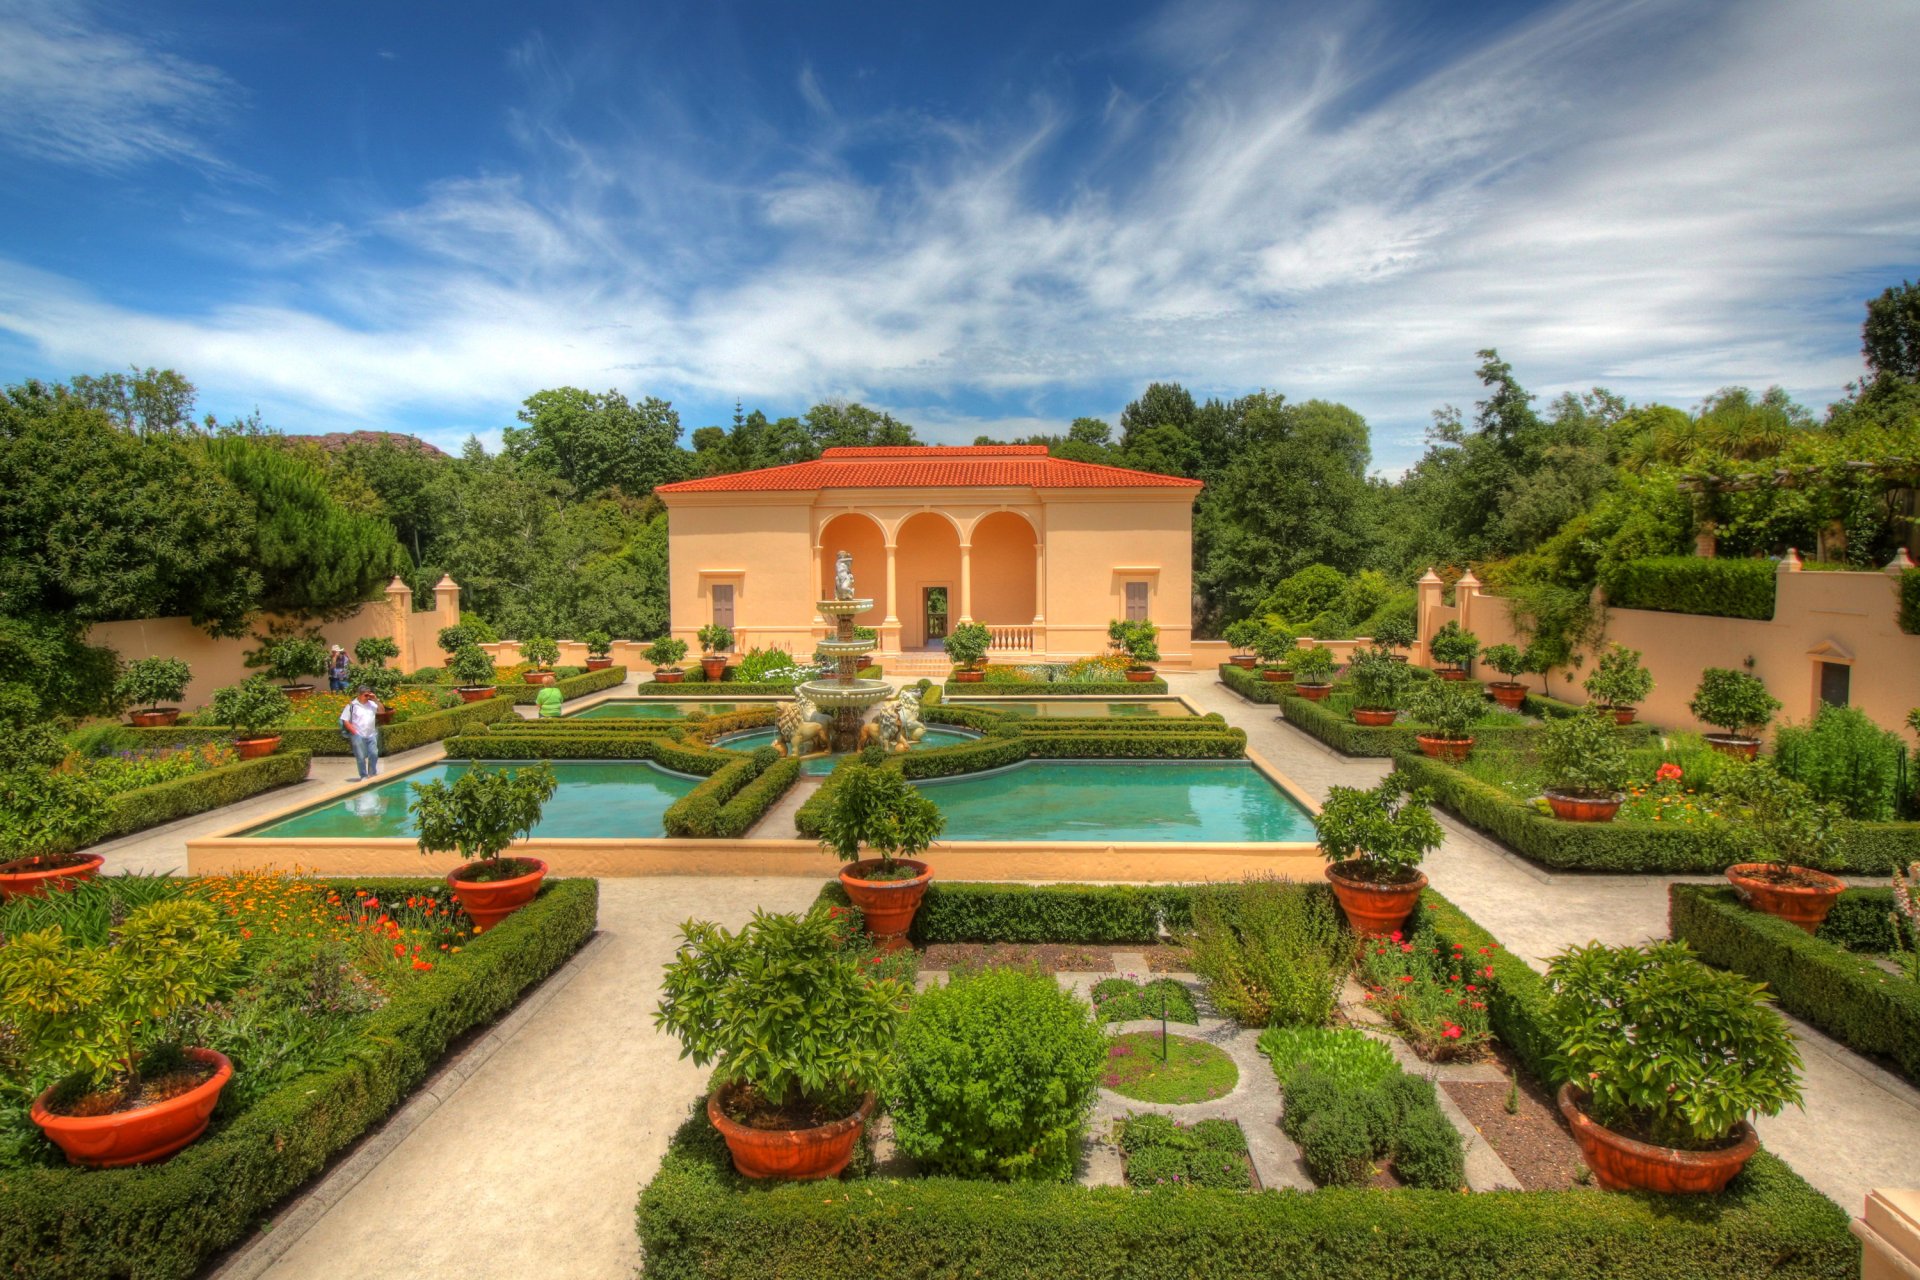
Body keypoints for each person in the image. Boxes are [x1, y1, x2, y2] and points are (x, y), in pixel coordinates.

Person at [340, 684, 382, 779]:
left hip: (371, 734)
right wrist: (355, 732)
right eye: (365, 695)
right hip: (358, 735)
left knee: (374, 754)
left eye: (369, 695)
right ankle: (363, 776)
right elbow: (345, 720)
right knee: (361, 757)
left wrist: (375, 699)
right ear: (359, 695)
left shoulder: (372, 704)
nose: (368, 697)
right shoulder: (352, 705)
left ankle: (372, 774)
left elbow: (382, 711)